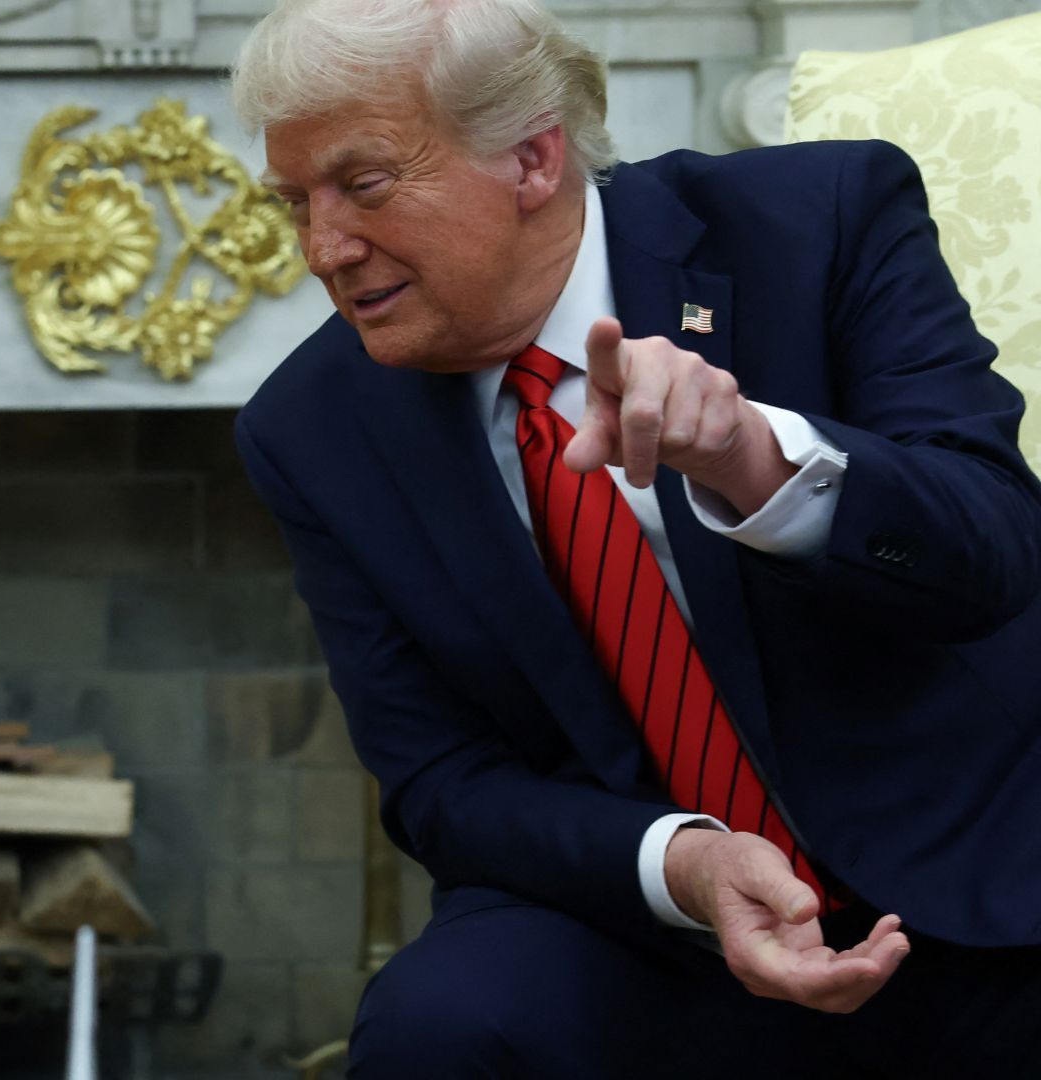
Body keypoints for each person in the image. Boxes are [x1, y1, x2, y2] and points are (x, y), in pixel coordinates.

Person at [229, 0, 1041, 1075]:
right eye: (297, 202)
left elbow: (996, 550)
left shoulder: (821, 218)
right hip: (647, 921)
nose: (322, 250)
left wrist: (755, 461)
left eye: (365, 185)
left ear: (531, 158)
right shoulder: (311, 427)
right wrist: (683, 865)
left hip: (968, 864)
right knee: (441, 1022)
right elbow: (440, 782)